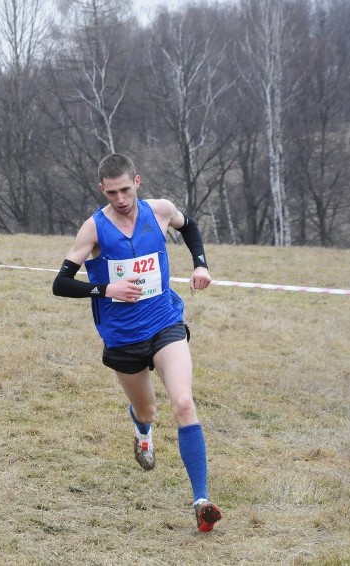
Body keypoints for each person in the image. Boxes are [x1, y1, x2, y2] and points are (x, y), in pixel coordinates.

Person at [52, 153, 221, 533]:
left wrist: (200, 264)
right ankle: (142, 430)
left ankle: (201, 500)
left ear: (137, 182)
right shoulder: (93, 229)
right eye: (112, 192)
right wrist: (105, 288)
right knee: (147, 411)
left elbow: (190, 228)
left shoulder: (160, 211)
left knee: (183, 402)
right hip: (123, 338)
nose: (121, 198)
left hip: (164, 322)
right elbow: (59, 284)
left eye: (126, 189)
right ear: (102, 189)